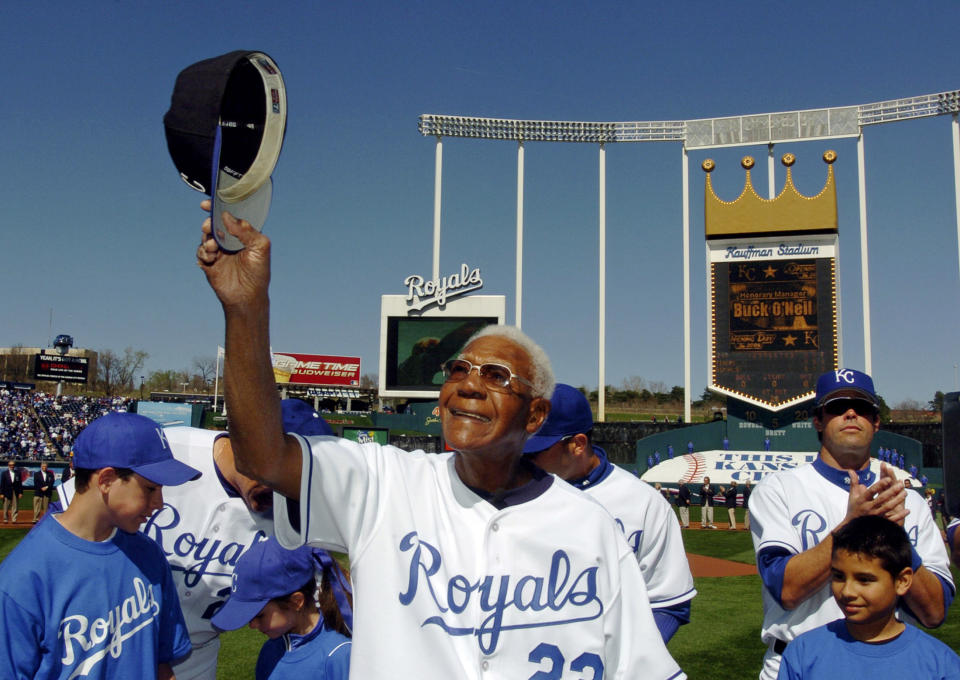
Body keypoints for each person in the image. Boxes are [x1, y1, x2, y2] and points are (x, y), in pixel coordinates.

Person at [195, 209, 685, 679]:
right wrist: (245, 309)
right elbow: (263, 455)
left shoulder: (591, 526)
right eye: (458, 370)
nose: (468, 385)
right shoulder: (384, 484)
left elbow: (643, 667)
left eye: (497, 376)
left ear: (536, 415)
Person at [53, 398, 334, 680]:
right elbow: (68, 523)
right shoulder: (168, 452)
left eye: (296, 483)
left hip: (195, 656)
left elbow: (322, 603)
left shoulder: (299, 511)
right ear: (248, 444)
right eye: (279, 476)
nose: (283, 495)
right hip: (111, 646)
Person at [749, 368, 954, 680]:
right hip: (797, 663)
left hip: (895, 666)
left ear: (875, 422)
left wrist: (895, 538)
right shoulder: (780, 489)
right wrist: (852, 524)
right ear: (818, 420)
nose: (850, 413)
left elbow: (935, 612)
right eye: (836, 407)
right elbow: (786, 589)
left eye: (862, 408)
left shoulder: (908, 502)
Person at [0, 411, 200, 679]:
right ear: (106, 480)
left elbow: (162, 665)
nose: (160, 503)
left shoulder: (148, 554)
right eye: (150, 489)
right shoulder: (22, 579)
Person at [523, 384, 697, 642]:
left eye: (535, 451)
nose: (523, 458)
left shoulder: (642, 504)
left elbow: (669, 604)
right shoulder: (508, 495)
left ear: (578, 444)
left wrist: (633, 664)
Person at [777, 516, 960, 679]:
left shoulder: (940, 664)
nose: (847, 591)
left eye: (864, 580)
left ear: (902, 581)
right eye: (839, 577)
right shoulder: (804, 653)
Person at [212, 538, 352, 680]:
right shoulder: (270, 651)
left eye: (260, 615)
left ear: (296, 602)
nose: (252, 625)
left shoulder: (338, 656)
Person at [1, 458, 23, 523]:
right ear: (8, 465)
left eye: (13, 465)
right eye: (10, 465)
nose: (12, 466)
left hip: (15, 491)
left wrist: (20, 492)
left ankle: (14, 519)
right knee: (6, 506)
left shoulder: (18, 473)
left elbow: (20, 484)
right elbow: (2, 484)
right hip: (6, 491)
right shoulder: (4, 473)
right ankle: (5, 519)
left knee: (15, 505)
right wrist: (1, 493)